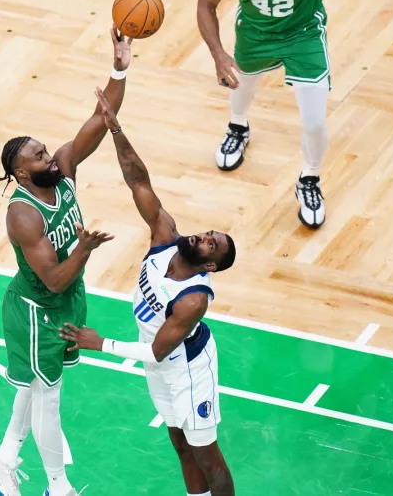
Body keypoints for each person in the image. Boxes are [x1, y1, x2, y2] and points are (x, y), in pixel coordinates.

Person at [59, 88, 237, 496]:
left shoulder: (193, 299)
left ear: (210, 265)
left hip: (186, 367)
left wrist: (98, 343)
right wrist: (114, 127)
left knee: (207, 455)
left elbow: (158, 350)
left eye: (211, 244)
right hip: (156, 357)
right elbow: (137, 178)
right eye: (209, 233)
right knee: (178, 442)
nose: (203, 238)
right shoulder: (165, 236)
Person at [0, 29, 132, 496]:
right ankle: (57, 487)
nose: (50, 155)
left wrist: (120, 65)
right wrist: (84, 247)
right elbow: (56, 280)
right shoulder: (22, 214)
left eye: (46, 149)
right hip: (37, 310)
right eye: (39, 155)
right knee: (50, 397)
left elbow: (101, 119)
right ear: (22, 172)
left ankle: (3, 458)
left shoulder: (62, 171)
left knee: (35, 385)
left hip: (67, 298)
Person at [196, 0, 376, 229]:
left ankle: (309, 178)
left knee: (315, 123)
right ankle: (238, 126)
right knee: (240, 83)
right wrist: (218, 55)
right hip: (255, 33)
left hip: (303, 34)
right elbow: (205, 5)